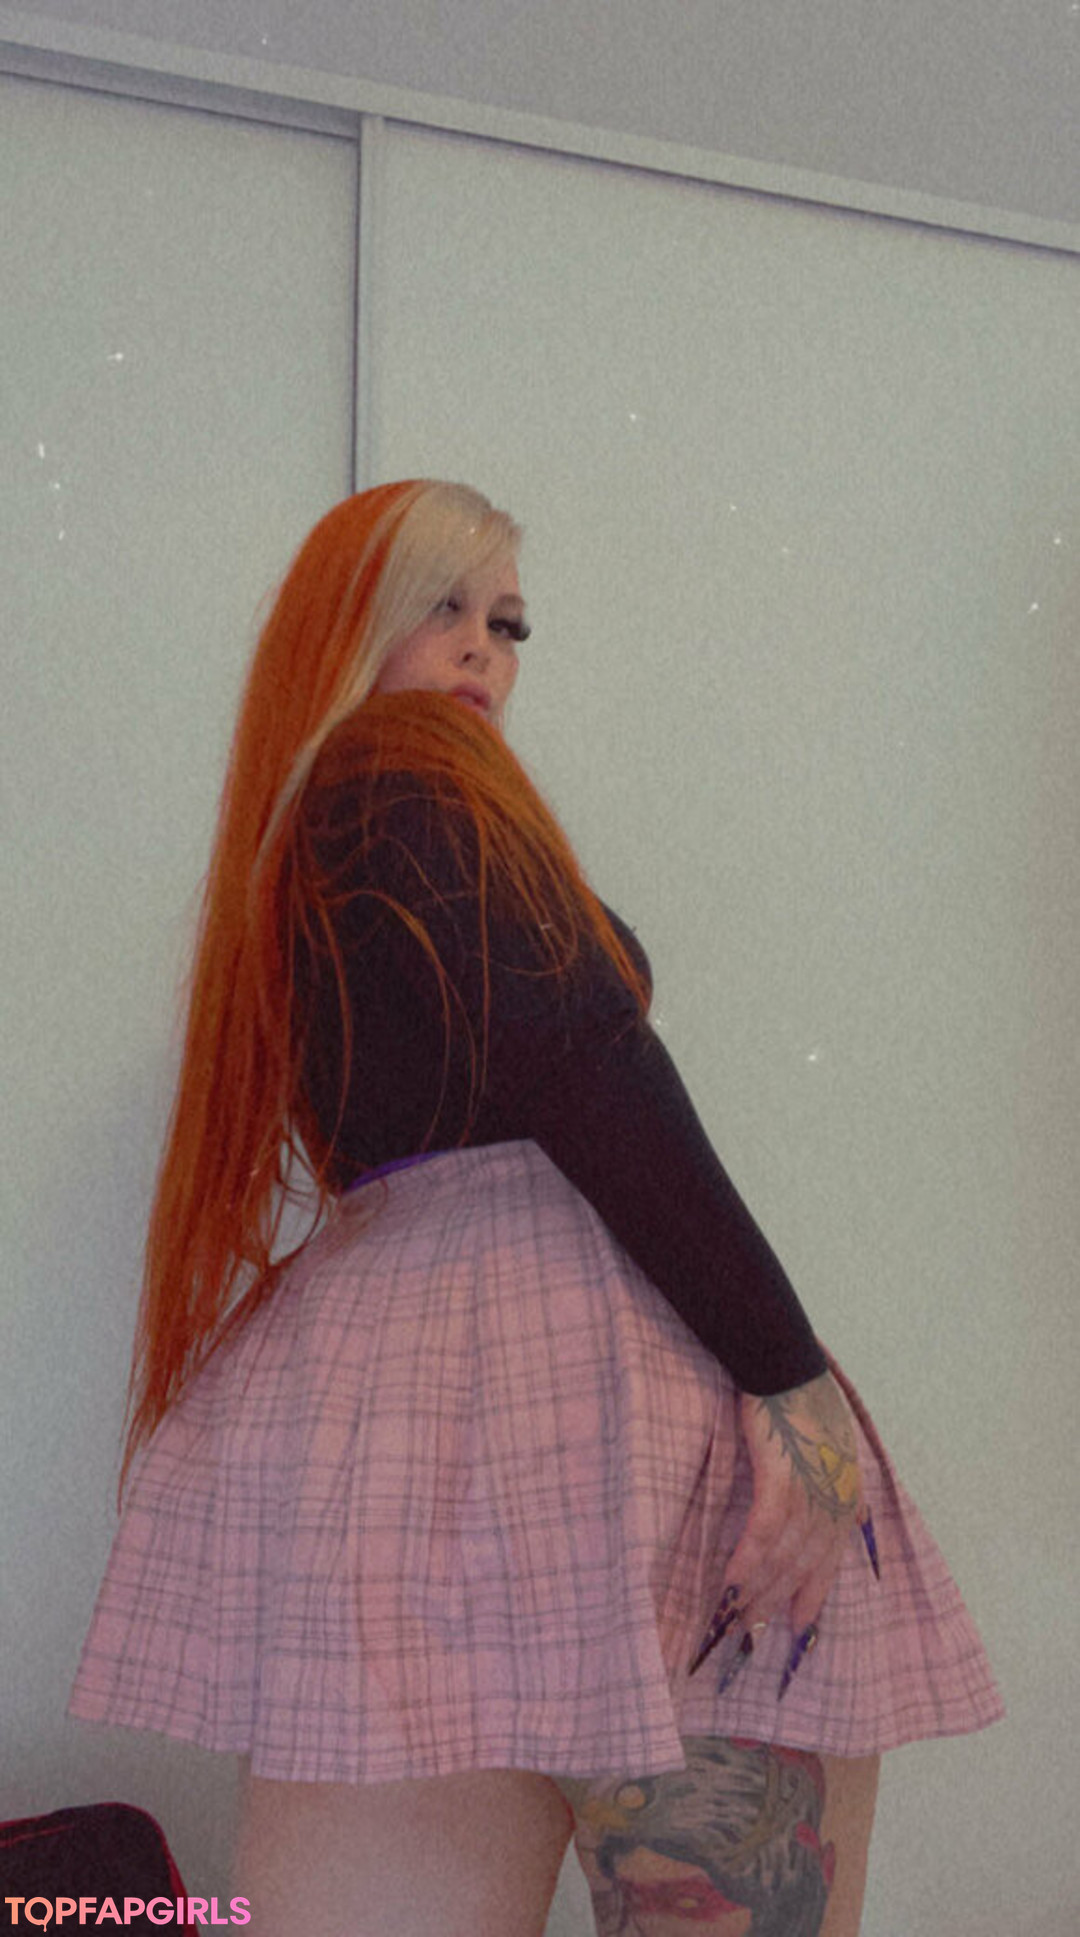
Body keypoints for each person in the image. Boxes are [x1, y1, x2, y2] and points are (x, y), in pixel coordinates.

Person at [70, 480, 1003, 1936]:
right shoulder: (400, 778)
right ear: (341, 625)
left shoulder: (304, 845)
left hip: (398, 1460)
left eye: (507, 624)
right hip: (609, 1444)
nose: (482, 649)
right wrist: (790, 1377)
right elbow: (585, 1056)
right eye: (439, 605)